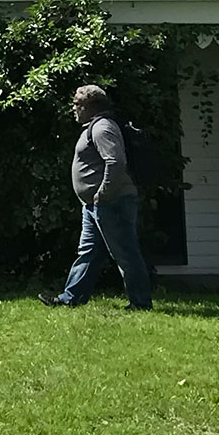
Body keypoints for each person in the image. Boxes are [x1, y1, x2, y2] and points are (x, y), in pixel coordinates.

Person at [45, 84, 152, 310]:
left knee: (126, 253)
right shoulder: (94, 126)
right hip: (95, 205)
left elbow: (115, 162)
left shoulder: (103, 128)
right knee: (88, 253)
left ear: (90, 106)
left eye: (77, 104)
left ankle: (140, 303)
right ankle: (70, 299)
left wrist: (103, 194)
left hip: (112, 202)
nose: (74, 109)